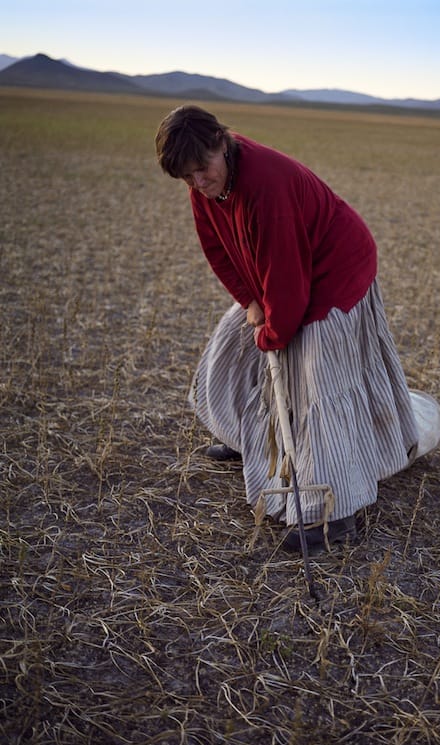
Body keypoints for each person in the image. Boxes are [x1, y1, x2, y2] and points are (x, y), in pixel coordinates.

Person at [155, 105, 419, 553]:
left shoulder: (266, 185)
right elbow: (216, 247)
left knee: (318, 380)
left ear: (223, 142)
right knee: (234, 345)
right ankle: (250, 442)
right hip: (283, 273)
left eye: (202, 170)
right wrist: (250, 303)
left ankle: (332, 514)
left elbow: (289, 285)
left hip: (334, 272)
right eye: (187, 177)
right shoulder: (202, 177)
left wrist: (272, 331)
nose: (198, 183)